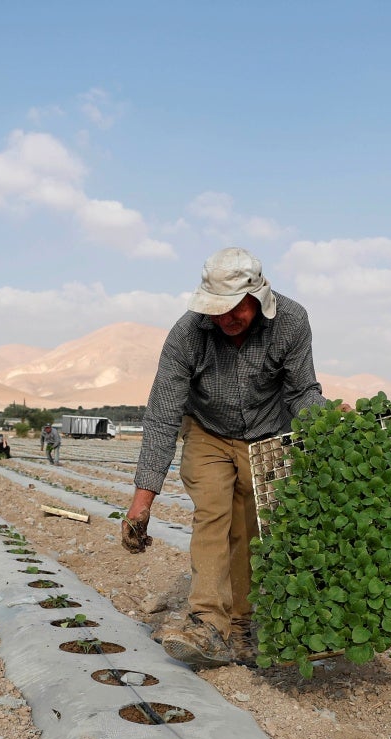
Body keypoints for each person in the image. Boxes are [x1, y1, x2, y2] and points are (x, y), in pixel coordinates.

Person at [121, 247, 331, 669]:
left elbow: (301, 392)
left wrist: (330, 419)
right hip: (207, 430)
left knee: (250, 527)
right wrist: (141, 503)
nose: (225, 319)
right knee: (213, 514)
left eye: (234, 309)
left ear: (259, 296)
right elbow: (163, 413)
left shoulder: (291, 321)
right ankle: (207, 624)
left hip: (267, 432)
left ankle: (242, 625)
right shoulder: (187, 335)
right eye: (216, 310)